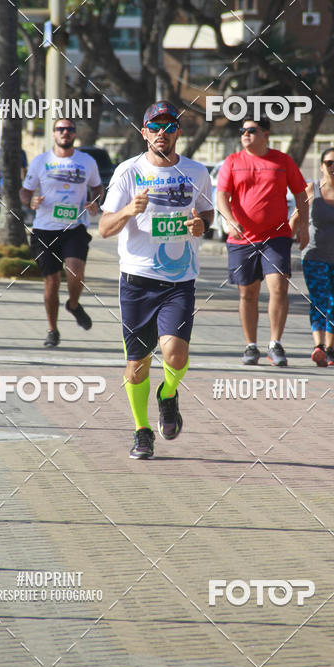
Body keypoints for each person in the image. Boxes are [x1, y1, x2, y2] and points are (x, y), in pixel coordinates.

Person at [99, 101, 213, 460]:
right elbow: (103, 228)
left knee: (175, 355)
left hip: (180, 280)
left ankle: (168, 395)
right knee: (136, 368)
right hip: (137, 281)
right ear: (144, 132)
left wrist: (202, 226)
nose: (162, 133)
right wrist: (128, 211)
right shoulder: (128, 172)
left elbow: (206, 214)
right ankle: (141, 430)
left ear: (178, 132)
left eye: (170, 126)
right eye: (155, 127)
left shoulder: (196, 172)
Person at [216, 116, 308, 367]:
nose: (245, 134)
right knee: (248, 293)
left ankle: (275, 344)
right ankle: (251, 346)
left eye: (251, 130)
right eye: (242, 130)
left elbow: (301, 193)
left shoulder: (282, 161)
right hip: (241, 239)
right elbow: (222, 195)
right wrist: (230, 220)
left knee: (278, 288)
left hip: (276, 237)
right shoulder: (232, 162)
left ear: (266, 134)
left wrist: (303, 226)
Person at [20, 118, 103, 348]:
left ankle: (74, 305)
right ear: (54, 134)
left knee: (75, 272)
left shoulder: (87, 161)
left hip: (74, 228)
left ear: (75, 134)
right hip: (44, 230)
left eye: (69, 129)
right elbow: (24, 192)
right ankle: (52, 330)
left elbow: (97, 188)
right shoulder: (40, 161)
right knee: (52, 282)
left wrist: (94, 201)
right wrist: (32, 201)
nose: (65, 132)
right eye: (60, 129)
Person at [290, 147, 334, 366]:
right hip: (313, 254)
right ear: (322, 165)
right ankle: (319, 346)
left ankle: (331, 349)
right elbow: (296, 217)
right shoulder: (311, 189)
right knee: (319, 299)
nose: (333, 166)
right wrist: (285, 240)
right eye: (329, 162)